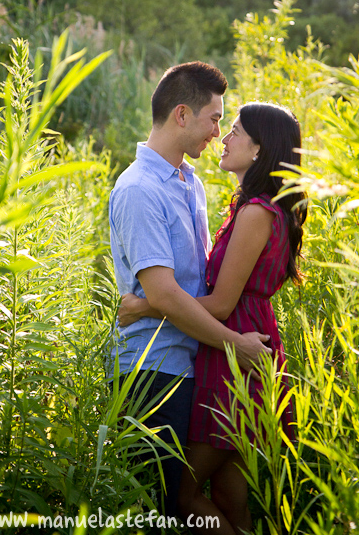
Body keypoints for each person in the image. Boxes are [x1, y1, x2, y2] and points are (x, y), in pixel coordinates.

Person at [118, 102, 307, 534]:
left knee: (182, 497)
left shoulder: (257, 212)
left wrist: (147, 305)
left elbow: (221, 303)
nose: (224, 138)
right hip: (239, 345)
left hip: (234, 354)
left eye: (236, 131)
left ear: (260, 150)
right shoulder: (260, 208)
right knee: (228, 498)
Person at [108, 62, 273, 519]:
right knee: (160, 507)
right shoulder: (140, 190)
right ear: (182, 114)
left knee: (207, 502)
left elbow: (192, 285)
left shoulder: (191, 184)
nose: (218, 132)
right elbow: (162, 294)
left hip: (195, 363)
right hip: (152, 370)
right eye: (214, 118)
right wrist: (235, 344)